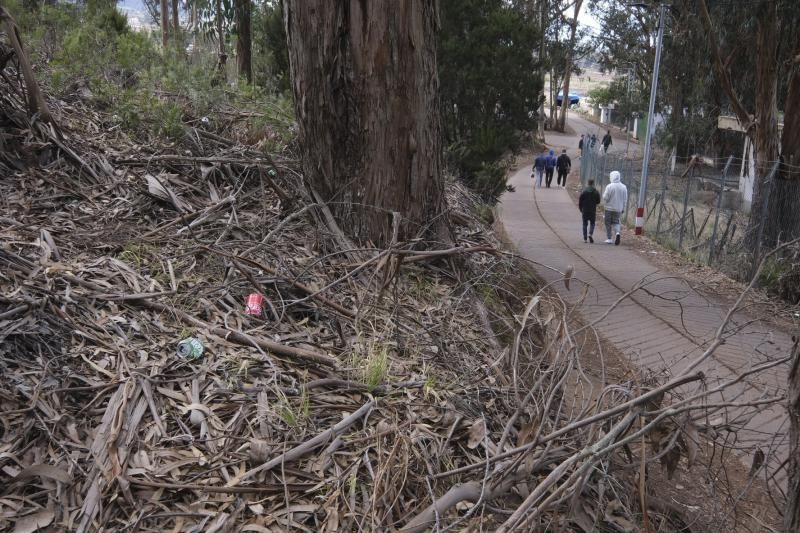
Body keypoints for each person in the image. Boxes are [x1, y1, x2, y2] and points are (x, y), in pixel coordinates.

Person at [602, 170, 628, 245]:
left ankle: (609, 238)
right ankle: (617, 233)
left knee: (608, 223)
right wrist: (623, 208)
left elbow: (605, 197)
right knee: (616, 222)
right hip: (619, 208)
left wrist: (605, 199)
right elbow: (625, 199)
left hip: (609, 208)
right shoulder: (624, 187)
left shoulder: (610, 186)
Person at [579, 179, 601, 243]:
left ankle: (585, 238)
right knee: (592, 223)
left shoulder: (584, 191)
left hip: (585, 210)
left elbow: (580, 201)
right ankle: (590, 234)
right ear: (593, 183)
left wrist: (581, 208)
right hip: (592, 210)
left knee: (584, 224)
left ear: (588, 183)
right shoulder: (596, 192)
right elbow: (598, 201)